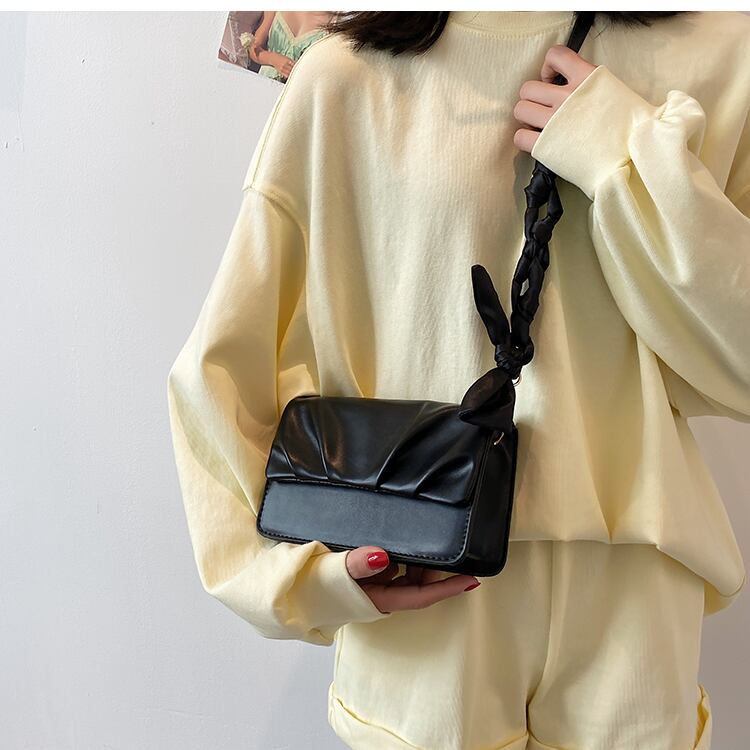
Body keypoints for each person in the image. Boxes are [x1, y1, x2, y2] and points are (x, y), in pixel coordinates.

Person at [166, 11, 750, 750]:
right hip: (423, 567)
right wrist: (300, 578)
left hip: (632, 599)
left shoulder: (724, 54)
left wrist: (622, 152)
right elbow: (223, 362)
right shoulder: (345, 76)